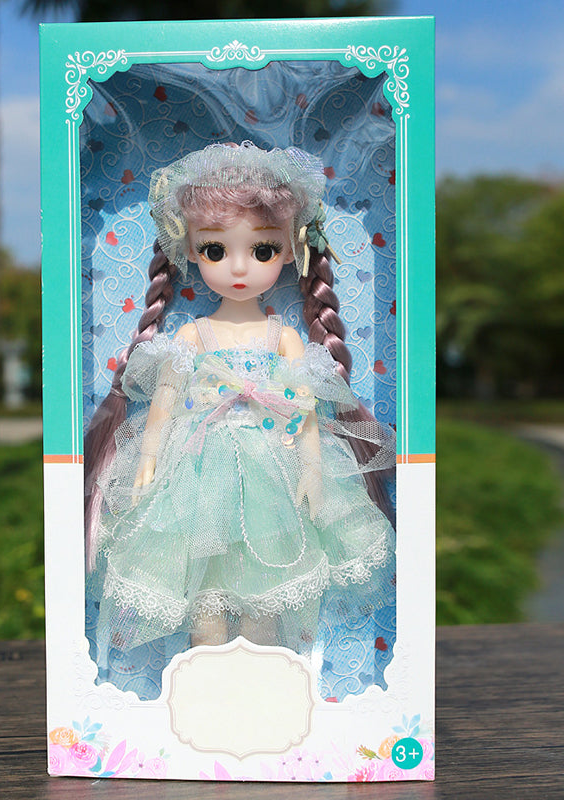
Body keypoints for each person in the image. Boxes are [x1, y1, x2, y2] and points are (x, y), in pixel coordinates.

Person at [84, 141, 395, 670]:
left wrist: (313, 471)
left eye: (263, 250)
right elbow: (164, 404)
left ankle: (262, 686)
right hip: (196, 471)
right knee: (204, 601)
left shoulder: (284, 338)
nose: (238, 267)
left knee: (263, 599)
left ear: (290, 250)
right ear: (189, 250)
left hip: (271, 471)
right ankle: (206, 684)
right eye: (215, 249)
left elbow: (304, 411)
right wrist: (148, 461)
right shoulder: (192, 337)